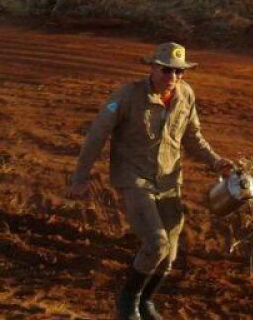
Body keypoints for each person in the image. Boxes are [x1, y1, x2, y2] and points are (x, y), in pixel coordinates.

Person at [67, 42, 233, 320]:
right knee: (156, 244)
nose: (173, 77)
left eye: (179, 72)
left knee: (169, 253)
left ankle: (146, 301)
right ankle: (127, 303)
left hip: (169, 182)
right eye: (167, 70)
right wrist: (79, 178)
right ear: (152, 68)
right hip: (135, 179)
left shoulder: (185, 95)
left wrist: (216, 161)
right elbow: (97, 135)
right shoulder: (128, 96)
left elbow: (193, 137)